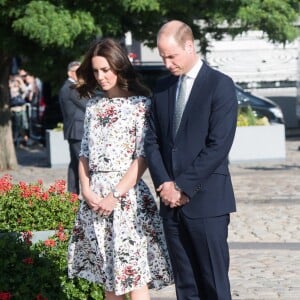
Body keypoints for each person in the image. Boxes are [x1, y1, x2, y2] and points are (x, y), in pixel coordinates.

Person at [67, 38, 173, 300]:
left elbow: (143, 156)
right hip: (95, 199)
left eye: (106, 70)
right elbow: (84, 154)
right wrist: (86, 190)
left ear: (119, 67)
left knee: (135, 277)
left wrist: (115, 195)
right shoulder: (93, 106)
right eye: (96, 71)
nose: (101, 77)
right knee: (108, 279)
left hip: (127, 199)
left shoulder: (140, 105)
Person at [144, 20, 238, 300]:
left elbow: (218, 145)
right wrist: (164, 184)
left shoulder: (220, 85)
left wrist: (182, 186)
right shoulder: (161, 88)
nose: (167, 63)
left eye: (171, 56)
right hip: (170, 204)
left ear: (189, 46)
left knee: (214, 284)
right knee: (186, 287)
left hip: (208, 201)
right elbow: (151, 140)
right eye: (162, 57)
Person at [59, 61, 87, 195]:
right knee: (83, 162)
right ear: (70, 73)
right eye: (78, 71)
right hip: (77, 131)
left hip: (75, 131)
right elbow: (87, 105)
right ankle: (87, 192)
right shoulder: (71, 88)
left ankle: (72, 193)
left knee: (75, 164)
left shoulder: (70, 87)